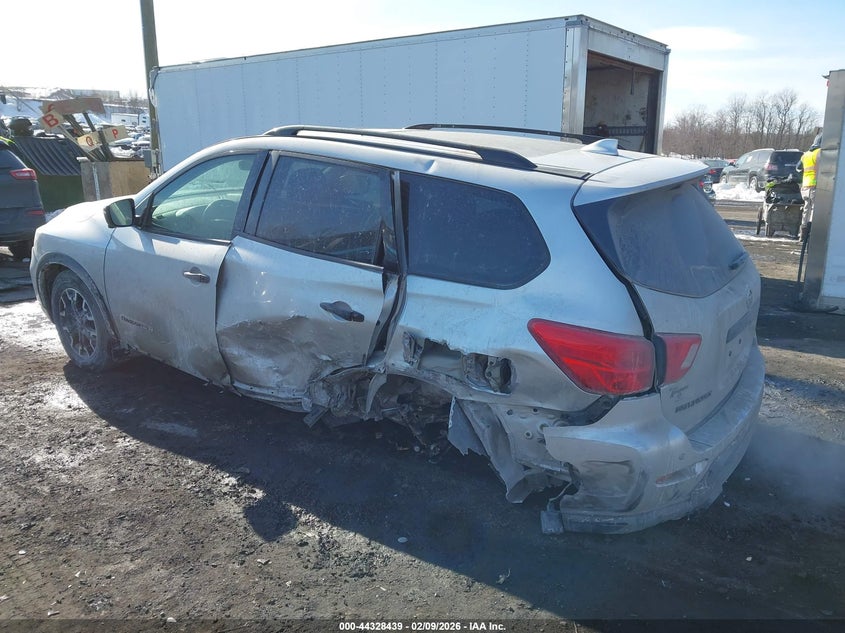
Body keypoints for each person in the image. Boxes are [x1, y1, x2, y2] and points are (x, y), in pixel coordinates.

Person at [796, 140, 821, 241]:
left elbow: (798, 168)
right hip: (814, 185)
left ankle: (803, 234)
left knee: (806, 209)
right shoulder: (820, 152)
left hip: (805, 186)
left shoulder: (805, 154)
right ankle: (811, 234)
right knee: (814, 210)